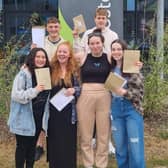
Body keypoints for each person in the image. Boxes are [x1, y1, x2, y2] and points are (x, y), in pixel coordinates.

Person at [74, 7, 118, 154]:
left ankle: (108, 141)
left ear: (106, 20)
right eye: (98, 18)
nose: (101, 20)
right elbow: (79, 51)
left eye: (103, 18)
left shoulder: (112, 34)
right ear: (95, 19)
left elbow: (117, 53)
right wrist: (75, 38)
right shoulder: (87, 33)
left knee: (107, 112)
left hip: (107, 75)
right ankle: (93, 139)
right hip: (90, 76)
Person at [74, 28, 112, 168]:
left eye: (98, 43)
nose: (95, 46)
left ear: (103, 43)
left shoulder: (109, 57)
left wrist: (136, 65)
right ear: (88, 45)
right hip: (86, 95)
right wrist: (76, 38)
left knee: (103, 133)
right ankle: (88, 164)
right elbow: (66, 56)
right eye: (92, 43)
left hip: (104, 95)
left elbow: (122, 65)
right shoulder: (83, 56)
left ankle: (101, 164)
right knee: (85, 134)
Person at [7, 48, 50, 168]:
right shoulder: (24, 74)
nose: (41, 59)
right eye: (38, 57)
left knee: (32, 148)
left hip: (38, 118)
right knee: (22, 148)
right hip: (24, 118)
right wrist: (35, 90)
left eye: (43, 57)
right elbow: (16, 95)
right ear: (32, 57)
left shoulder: (45, 74)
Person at [43, 41, 81, 168]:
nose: (62, 54)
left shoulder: (75, 70)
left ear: (69, 54)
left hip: (69, 114)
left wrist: (74, 90)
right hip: (53, 114)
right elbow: (36, 70)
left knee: (68, 143)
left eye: (65, 52)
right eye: (60, 51)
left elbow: (82, 88)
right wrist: (25, 66)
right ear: (56, 53)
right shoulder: (50, 69)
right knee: (55, 142)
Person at [33, 16, 64, 161]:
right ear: (47, 28)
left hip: (59, 80)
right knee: (41, 113)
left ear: (60, 28)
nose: (53, 29)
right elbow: (34, 60)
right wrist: (32, 52)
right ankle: (40, 146)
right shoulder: (40, 42)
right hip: (43, 79)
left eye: (56, 26)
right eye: (50, 27)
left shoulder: (64, 43)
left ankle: (56, 143)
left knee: (57, 112)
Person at [110, 39, 145, 168]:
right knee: (120, 147)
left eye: (119, 49)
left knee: (135, 147)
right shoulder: (110, 68)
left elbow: (139, 94)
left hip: (132, 109)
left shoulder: (132, 67)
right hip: (116, 109)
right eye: (113, 49)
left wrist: (123, 92)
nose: (116, 52)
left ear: (124, 51)